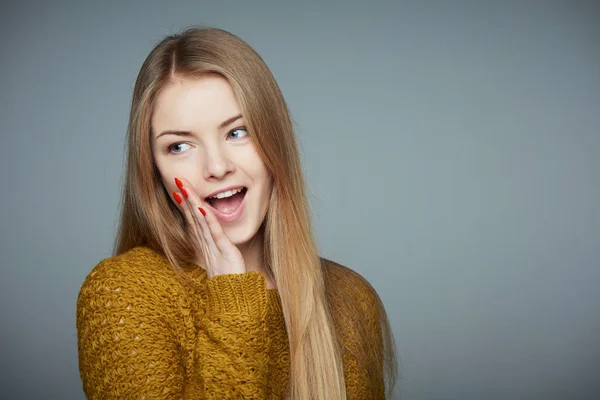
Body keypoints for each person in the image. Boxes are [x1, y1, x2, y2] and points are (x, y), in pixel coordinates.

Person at [76, 26, 398, 399]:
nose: (216, 167)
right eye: (180, 145)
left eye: (237, 132)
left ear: (274, 140)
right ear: (154, 169)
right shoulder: (123, 294)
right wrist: (232, 300)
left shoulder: (350, 298)